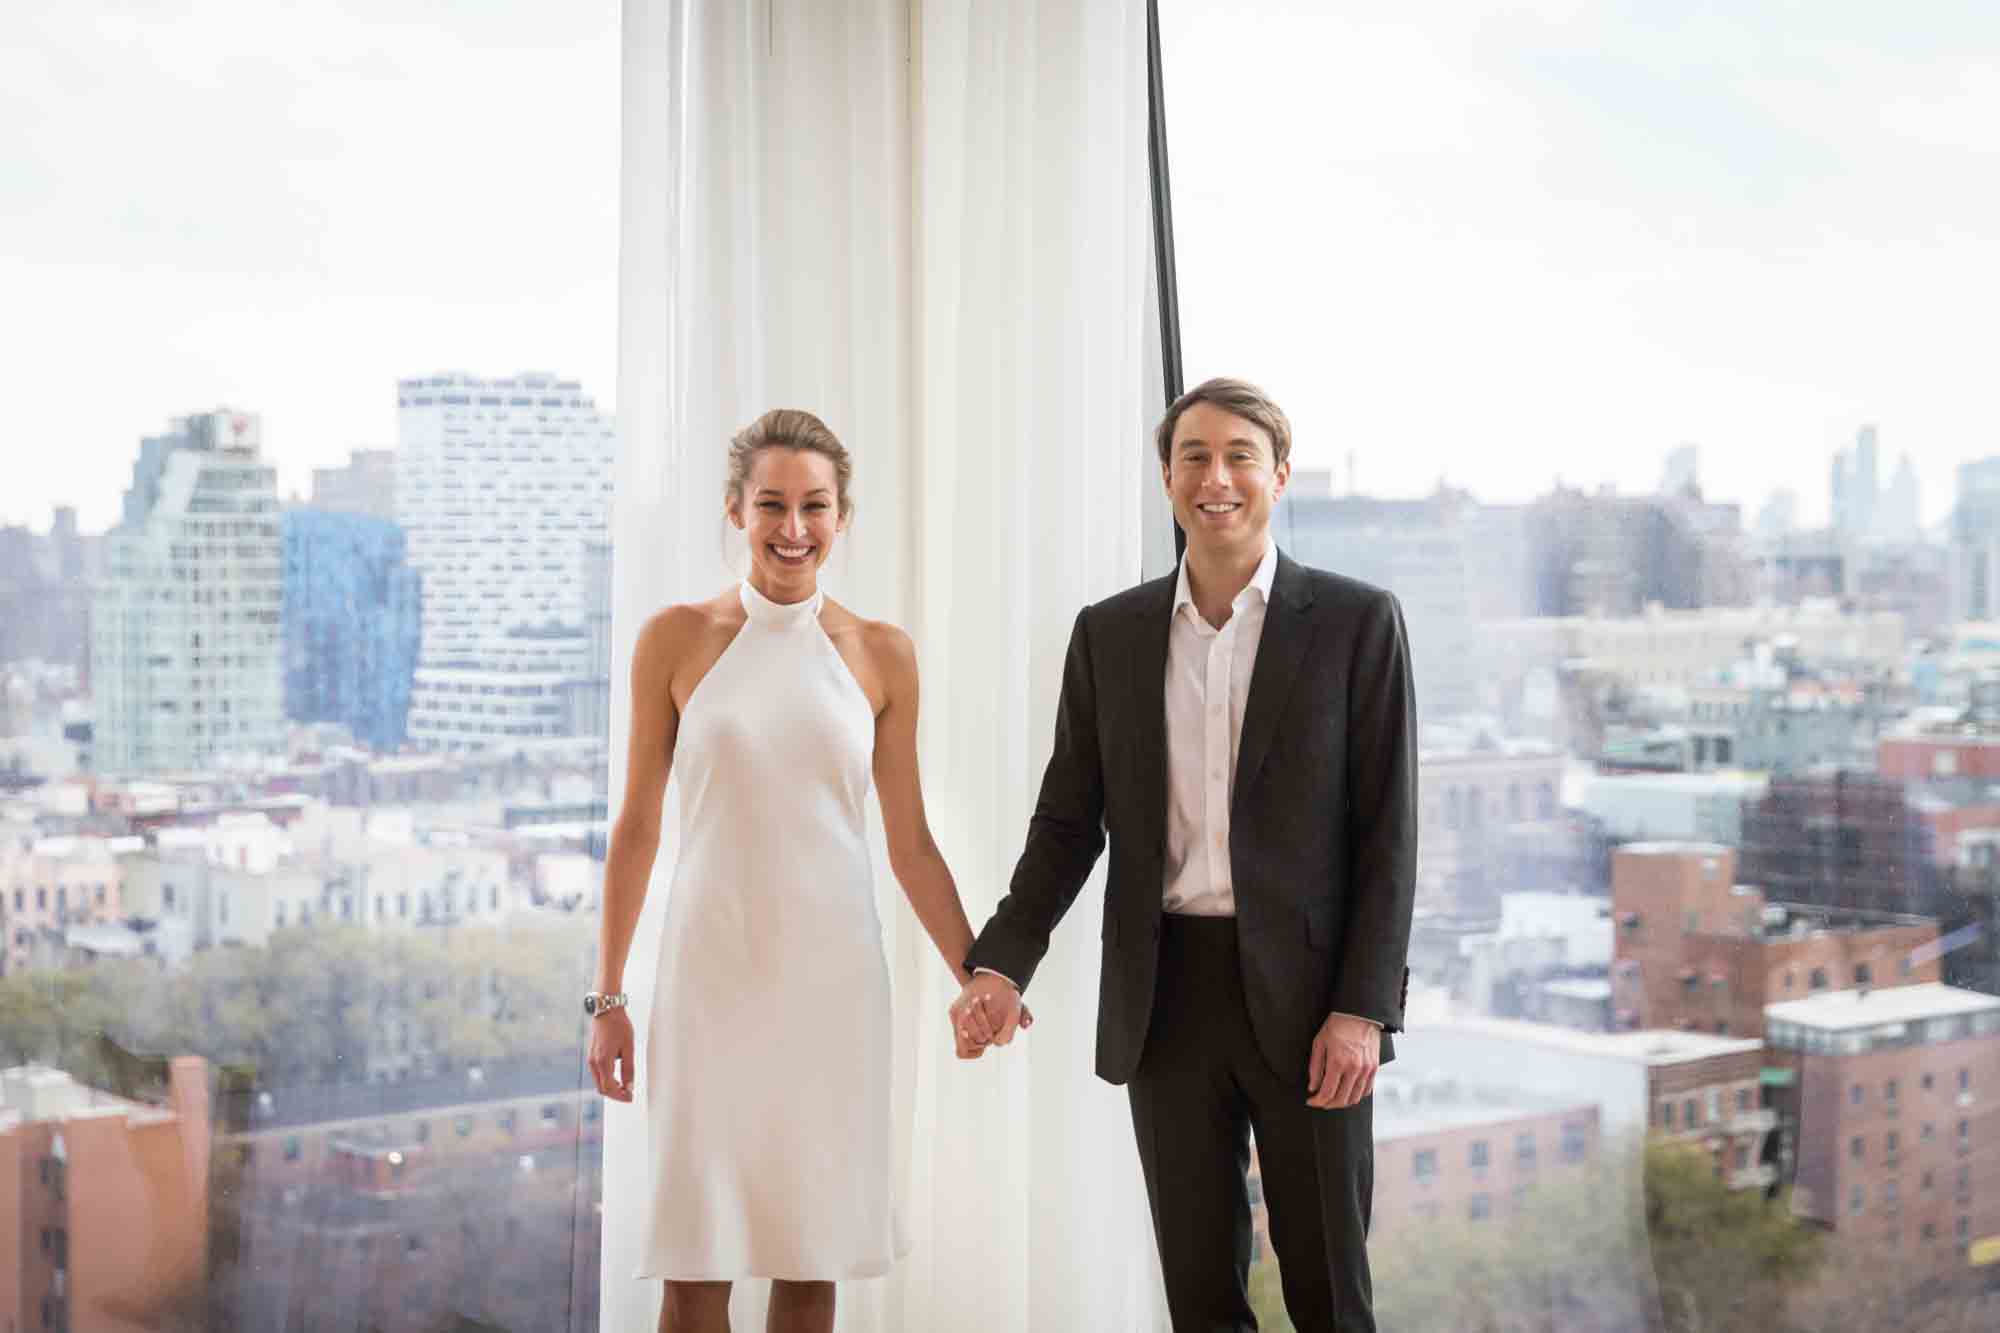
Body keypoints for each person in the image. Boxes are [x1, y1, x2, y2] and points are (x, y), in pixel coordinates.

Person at [952, 377, 1417, 1332]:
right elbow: (1067, 823)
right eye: (1194, 457)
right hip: (1164, 998)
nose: (1217, 477)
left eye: (1240, 455)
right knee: (1201, 1300)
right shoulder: (1111, 634)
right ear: (1167, 480)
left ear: (1279, 476)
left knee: (1332, 1293)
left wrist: (1362, 1010)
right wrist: (999, 960)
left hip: (1312, 1004)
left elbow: (1389, 834)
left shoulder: (1358, 622)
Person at [587, 408, 1021, 1333]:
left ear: (842, 516)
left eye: (814, 506)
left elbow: (910, 845)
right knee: (696, 1263)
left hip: (833, 991)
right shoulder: (674, 639)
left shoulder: (882, 654)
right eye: (772, 504)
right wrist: (607, 995)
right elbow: (635, 829)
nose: (793, 528)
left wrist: (980, 973)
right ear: (736, 511)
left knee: (809, 1254)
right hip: (711, 981)